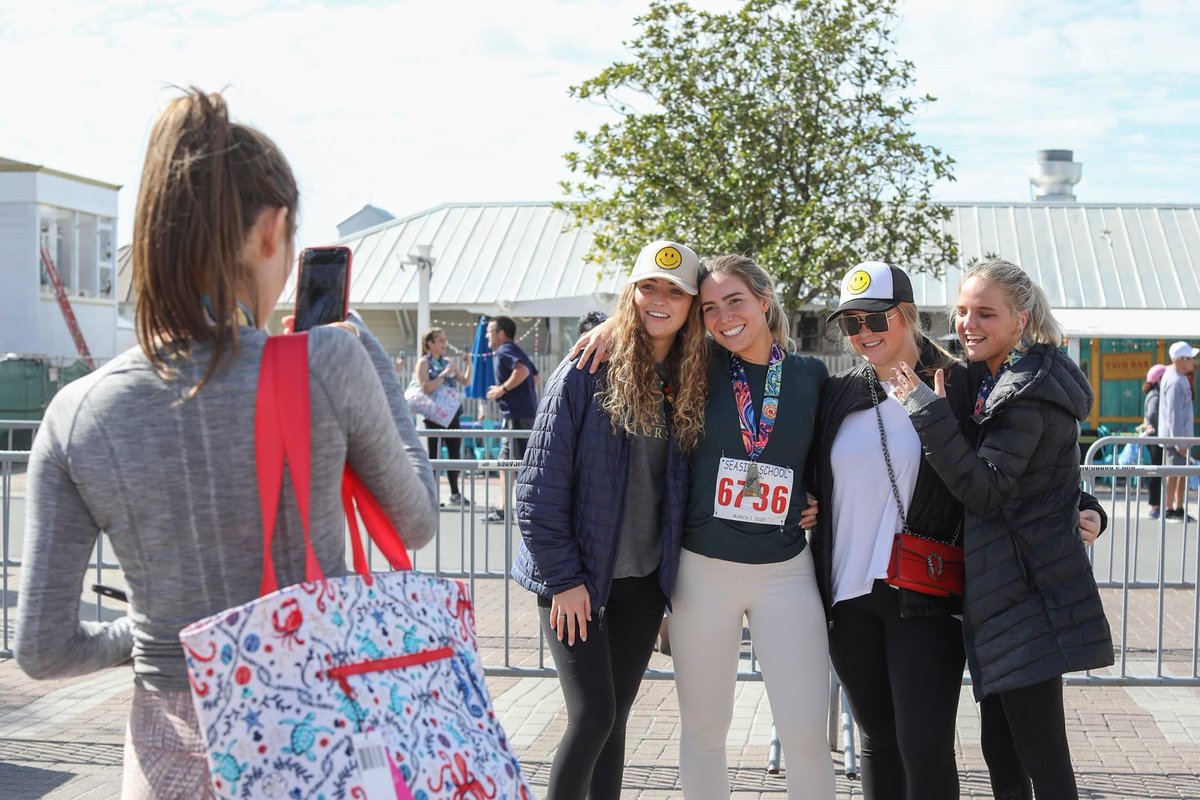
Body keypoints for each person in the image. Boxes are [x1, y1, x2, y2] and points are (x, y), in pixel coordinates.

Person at [13, 89, 438, 798]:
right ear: (273, 231)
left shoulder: (75, 413)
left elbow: (43, 649)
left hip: (165, 755)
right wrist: (375, 373)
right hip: (315, 731)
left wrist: (152, 634)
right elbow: (416, 522)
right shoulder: (324, 365)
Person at [574, 253, 835, 797]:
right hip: (702, 573)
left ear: (765, 301)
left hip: (785, 573)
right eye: (711, 307)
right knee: (704, 734)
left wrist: (815, 498)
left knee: (806, 732)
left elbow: (823, 463)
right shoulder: (697, 365)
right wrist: (609, 325)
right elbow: (645, 330)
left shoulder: (812, 375)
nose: (723, 317)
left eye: (735, 301)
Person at [889, 258, 1114, 799]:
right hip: (1005, 590)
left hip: (1024, 591)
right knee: (1004, 748)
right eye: (962, 310)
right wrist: (1088, 506)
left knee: (1038, 754)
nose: (968, 323)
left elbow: (985, 488)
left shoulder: (1026, 389)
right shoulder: (1005, 378)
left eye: (985, 313)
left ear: (1021, 318)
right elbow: (1044, 474)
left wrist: (926, 412)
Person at [511, 240, 709, 800]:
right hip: (575, 579)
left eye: (676, 291)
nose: (660, 300)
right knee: (592, 715)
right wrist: (565, 581)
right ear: (631, 292)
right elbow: (537, 490)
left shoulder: (692, 378)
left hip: (642, 582)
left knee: (617, 718)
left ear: (693, 304)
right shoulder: (584, 370)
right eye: (649, 286)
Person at [810, 261, 968, 799]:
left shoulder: (958, 382)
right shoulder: (837, 394)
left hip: (922, 591)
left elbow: (1012, 462)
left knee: (924, 745)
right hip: (849, 591)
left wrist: (1084, 505)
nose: (864, 333)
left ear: (907, 315)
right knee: (879, 740)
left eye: (875, 318)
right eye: (851, 324)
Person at [484, 315, 538, 522]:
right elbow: (535, 375)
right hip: (519, 415)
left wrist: (501, 389)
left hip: (518, 416)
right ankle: (505, 508)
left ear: (501, 333)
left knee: (515, 465)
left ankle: (525, 511)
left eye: (489, 331)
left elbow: (524, 372)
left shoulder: (506, 350)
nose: (487, 335)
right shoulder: (515, 350)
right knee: (507, 462)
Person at [417, 327, 473, 506]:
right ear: (429, 343)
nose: (444, 344)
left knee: (454, 455)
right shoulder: (424, 363)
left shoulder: (449, 362)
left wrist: (468, 365)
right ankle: (432, 495)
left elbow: (465, 381)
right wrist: (443, 375)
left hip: (452, 416)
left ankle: (455, 493)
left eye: (444, 340)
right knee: (433, 456)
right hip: (434, 416)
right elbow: (426, 387)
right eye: (440, 340)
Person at [1160, 341, 1197, 523]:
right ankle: (1169, 509)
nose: (1193, 362)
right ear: (1180, 359)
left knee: (1180, 472)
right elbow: (1173, 414)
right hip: (1176, 438)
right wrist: (1179, 443)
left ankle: (1178, 507)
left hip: (1180, 437)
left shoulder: (1176, 376)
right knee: (1174, 472)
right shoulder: (1175, 380)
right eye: (1190, 358)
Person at [1143, 363, 1168, 519]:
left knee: (1156, 471)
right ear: (1159, 379)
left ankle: (1156, 504)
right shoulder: (1156, 396)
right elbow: (1152, 414)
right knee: (1157, 472)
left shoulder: (1152, 394)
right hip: (1156, 439)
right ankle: (1155, 506)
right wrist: (1160, 429)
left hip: (1154, 438)